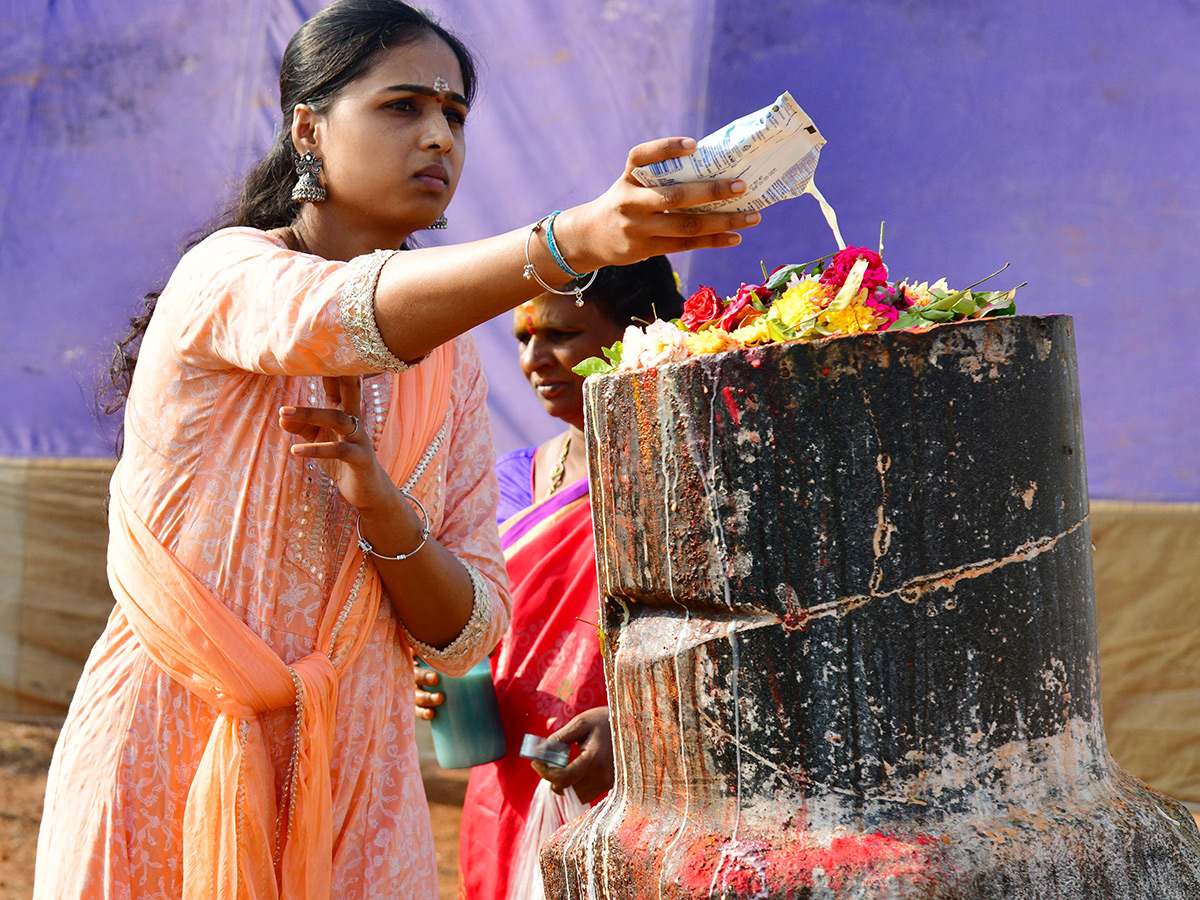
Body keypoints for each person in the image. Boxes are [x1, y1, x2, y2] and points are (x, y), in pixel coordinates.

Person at [33, 1, 757, 897]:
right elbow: (337, 318)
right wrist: (570, 242)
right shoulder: (224, 275)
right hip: (174, 747)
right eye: (402, 107)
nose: (438, 138)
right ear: (308, 128)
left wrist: (382, 507)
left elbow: (469, 631)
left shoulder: (448, 359)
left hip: (361, 781)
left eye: (454, 116)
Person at [414, 260, 684, 900]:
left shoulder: (686, 466)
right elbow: (485, 620)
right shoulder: (512, 480)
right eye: (523, 339)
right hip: (510, 773)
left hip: (635, 769)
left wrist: (638, 728)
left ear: (637, 331)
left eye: (561, 335)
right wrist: (441, 671)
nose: (535, 358)